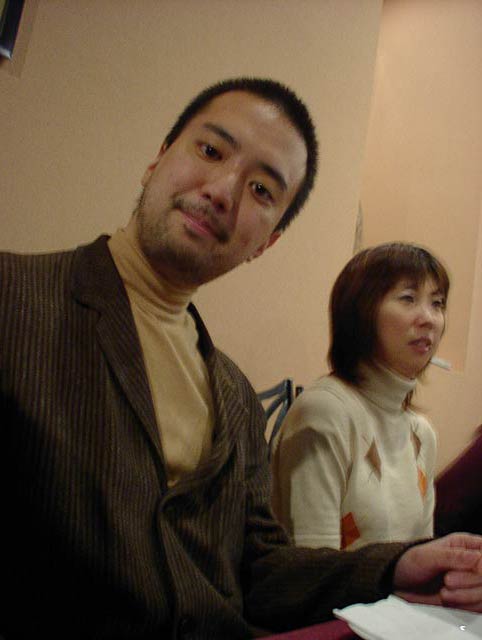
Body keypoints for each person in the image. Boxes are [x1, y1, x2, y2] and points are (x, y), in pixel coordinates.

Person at [1, 78, 482, 640]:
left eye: (261, 190)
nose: (224, 190)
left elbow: (260, 570)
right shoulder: (14, 300)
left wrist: (396, 566)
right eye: (210, 150)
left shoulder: (234, 395)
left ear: (266, 243)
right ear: (157, 160)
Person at [272, 243, 448, 551]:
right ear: (361, 312)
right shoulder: (324, 413)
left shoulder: (421, 434)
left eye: (437, 303)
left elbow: (420, 560)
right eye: (408, 298)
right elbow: (311, 568)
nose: (429, 318)